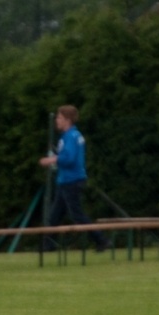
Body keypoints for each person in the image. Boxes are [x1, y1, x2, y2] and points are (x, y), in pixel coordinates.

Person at [39, 104, 105, 254]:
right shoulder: (70, 136)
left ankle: (101, 240)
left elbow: (69, 159)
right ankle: (48, 245)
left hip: (72, 181)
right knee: (55, 215)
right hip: (65, 181)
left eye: (60, 117)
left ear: (67, 120)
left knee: (78, 215)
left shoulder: (71, 136)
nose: (57, 120)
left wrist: (52, 160)